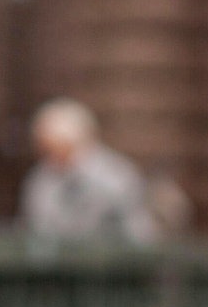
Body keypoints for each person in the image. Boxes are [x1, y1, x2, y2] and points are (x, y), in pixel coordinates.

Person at [18, 97, 158, 244]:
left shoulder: (116, 177)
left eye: (54, 148)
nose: (48, 157)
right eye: (44, 149)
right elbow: (32, 230)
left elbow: (139, 234)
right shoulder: (40, 179)